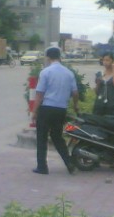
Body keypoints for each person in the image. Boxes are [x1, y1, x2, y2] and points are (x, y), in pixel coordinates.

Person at [31, 47, 79, 175]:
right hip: (61, 109)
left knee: (42, 137)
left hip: (47, 108)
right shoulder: (69, 73)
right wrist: (76, 106)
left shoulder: (45, 72)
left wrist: (34, 111)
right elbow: (75, 93)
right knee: (57, 137)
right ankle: (69, 163)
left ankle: (42, 166)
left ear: (48, 58)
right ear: (60, 57)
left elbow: (39, 94)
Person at [93, 51, 114, 116]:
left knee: (111, 120)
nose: (105, 62)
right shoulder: (99, 73)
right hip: (100, 103)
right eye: (104, 60)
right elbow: (96, 92)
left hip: (112, 104)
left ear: (113, 61)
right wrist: (98, 84)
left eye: (107, 60)